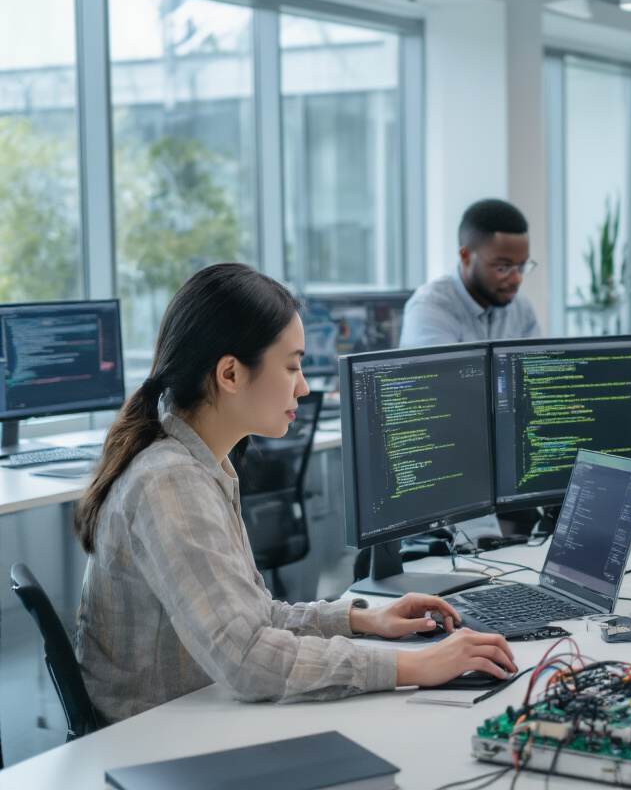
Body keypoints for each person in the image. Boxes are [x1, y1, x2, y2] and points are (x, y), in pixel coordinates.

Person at [74, 263, 516, 723]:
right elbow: (247, 659)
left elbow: (253, 618)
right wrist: (413, 664)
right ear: (229, 373)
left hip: (198, 712)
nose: (303, 386)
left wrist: (363, 617)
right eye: (291, 366)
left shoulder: (201, 463)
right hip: (154, 738)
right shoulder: (170, 482)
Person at [399, 198, 542, 348]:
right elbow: (442, 371)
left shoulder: (520, 307)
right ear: (466, 256)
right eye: (503, 267)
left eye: (522, 265)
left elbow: (536, 367)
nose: (517, 279)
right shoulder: (429, 308)